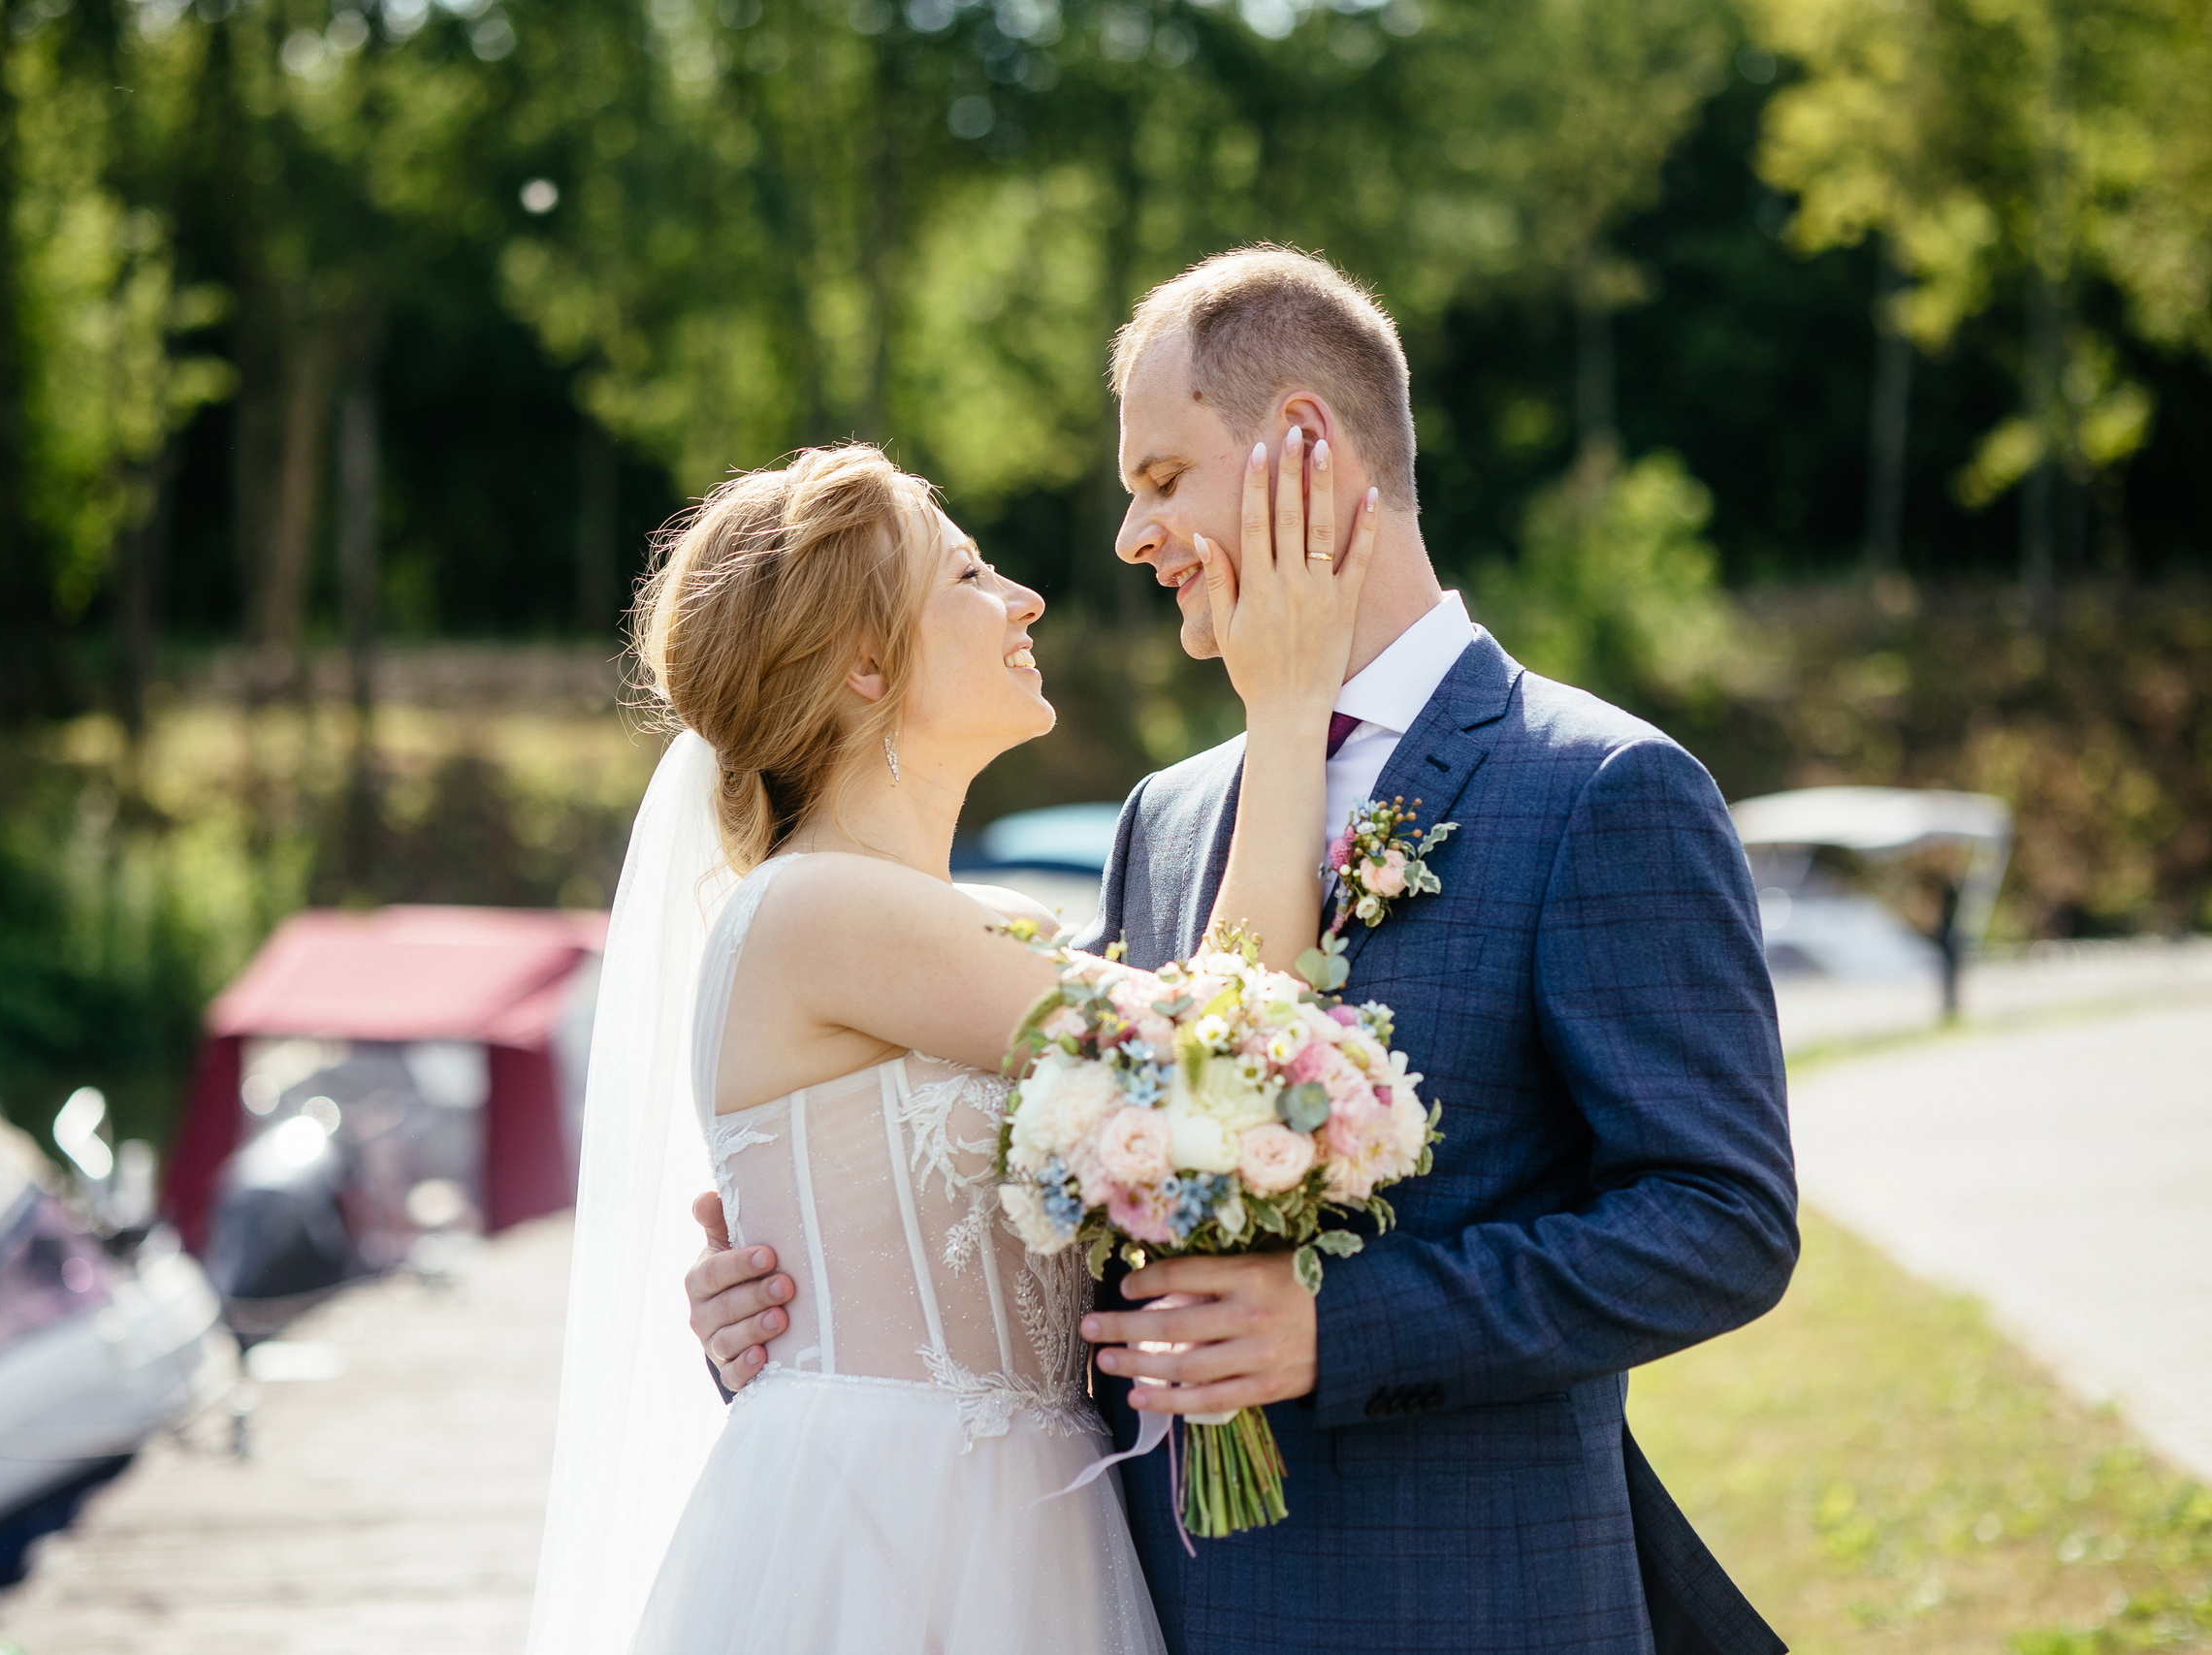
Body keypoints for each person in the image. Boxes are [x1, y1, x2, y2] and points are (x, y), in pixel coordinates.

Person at [685, 247, 1801, 1654]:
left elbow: (1722, 1219)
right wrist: (814, 1308)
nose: (1126, 536)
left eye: (1159, 478)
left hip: (1469, 1605)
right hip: (1137, 1604)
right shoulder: (1171, 816)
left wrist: (1346, 1324)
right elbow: (1103, 1173)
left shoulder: (1596, 787)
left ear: (1303, 446)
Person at [531, 433, 1387, 1654]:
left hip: (1032, 1512)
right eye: (972, 574)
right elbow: (1220, 1072)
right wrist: (1290, 709)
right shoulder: (816, 907)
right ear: (867, 665)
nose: (1024, 596)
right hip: (899, 1523)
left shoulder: (995, 928)